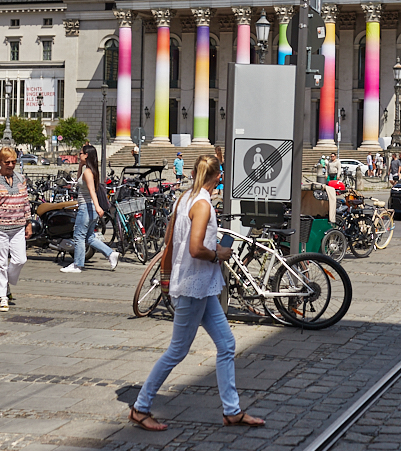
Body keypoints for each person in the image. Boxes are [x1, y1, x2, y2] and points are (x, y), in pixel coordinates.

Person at [129, 154, 265, 431]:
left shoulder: (184, 199)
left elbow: (171, 240)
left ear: (193, 173)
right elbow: (195, 248)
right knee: (177, 351)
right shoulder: (202, 205)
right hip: (193, 286)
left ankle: (232, 411)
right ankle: (140, 408)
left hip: (200, 287)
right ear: (217, 178)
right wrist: (219, 253)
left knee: (226, 344)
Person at [62, 143, 117, 273]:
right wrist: (80, 165)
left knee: (79, 236)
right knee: (89, 237)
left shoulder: (88, 172)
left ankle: (77, 265)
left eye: (81, 153)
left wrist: (98, 207)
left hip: (86, 207)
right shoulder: (89, 170)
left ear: (86, 155)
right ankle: (110, 253)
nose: (79, 155)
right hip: (89, 208)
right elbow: (78, 181)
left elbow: (92, 190)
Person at [0, 147, 31, 312]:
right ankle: (2, 297)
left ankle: (5, 282)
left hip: (18, 226)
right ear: (0, 162)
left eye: (13, 162)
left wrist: (28, 222)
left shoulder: (20, 178)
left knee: (20, 259)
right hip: (0, 227)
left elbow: (25, 201)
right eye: (7, 162)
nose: (11, 165)